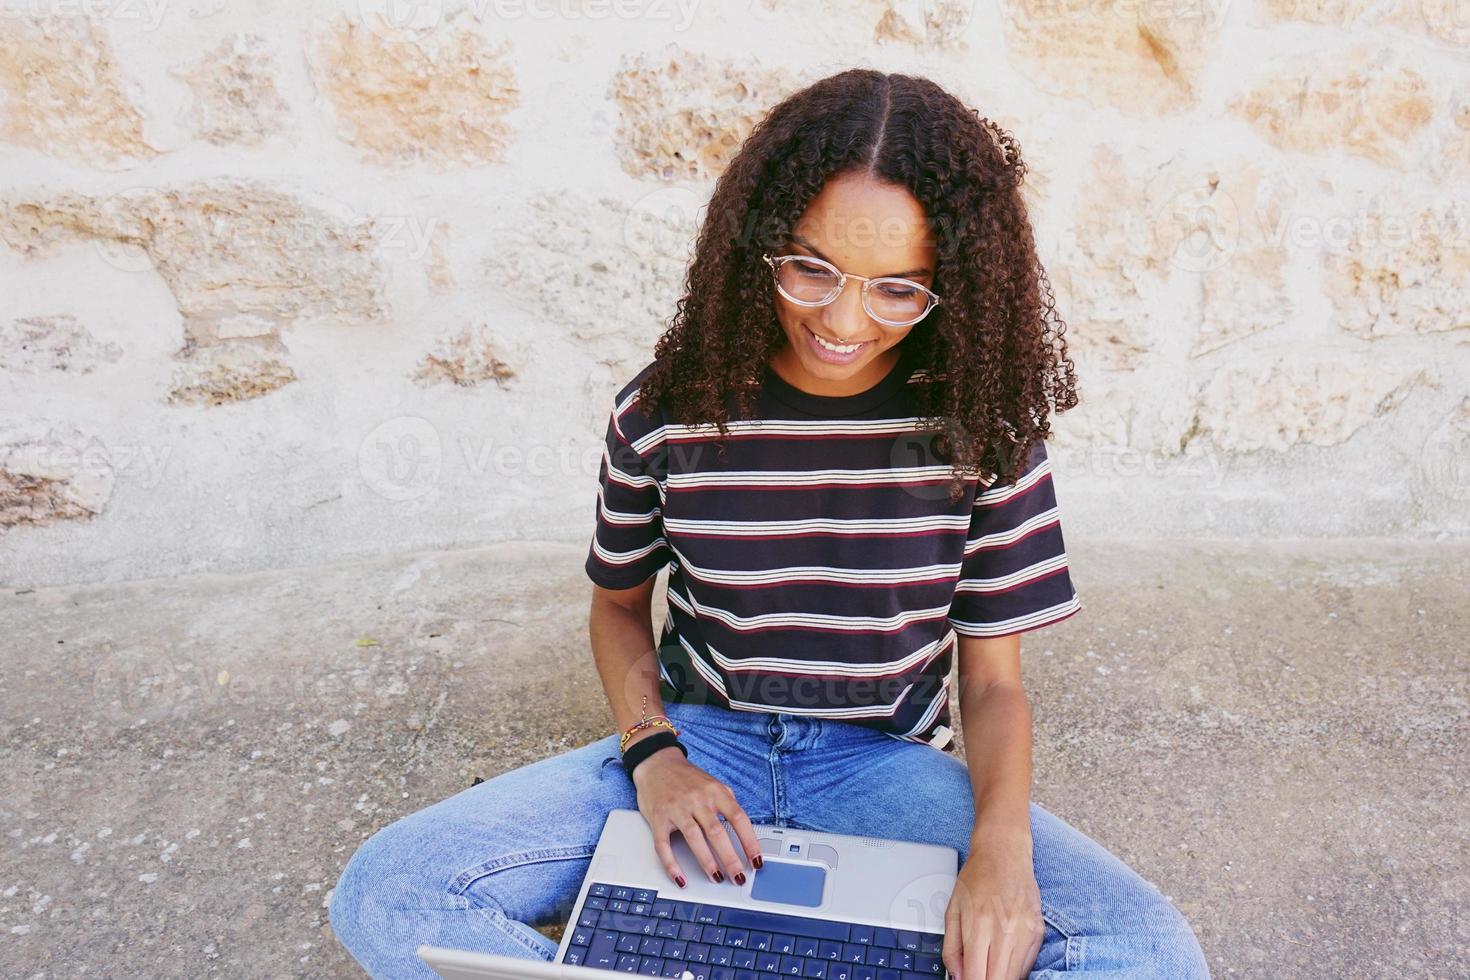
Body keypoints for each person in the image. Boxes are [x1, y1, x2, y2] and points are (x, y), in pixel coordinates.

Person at [329, 70, 1210, 979]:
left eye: (898, 289)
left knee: (1148, 952)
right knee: (390, 888)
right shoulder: (668, 410)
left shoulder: (985, 429)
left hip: (886, 769)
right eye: (810, 267)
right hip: (704, 739)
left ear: (958, 284)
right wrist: (653, 755)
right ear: (759, 242)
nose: (841, 319)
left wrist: (1001, 848)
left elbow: (991, 687)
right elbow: (619, 607)